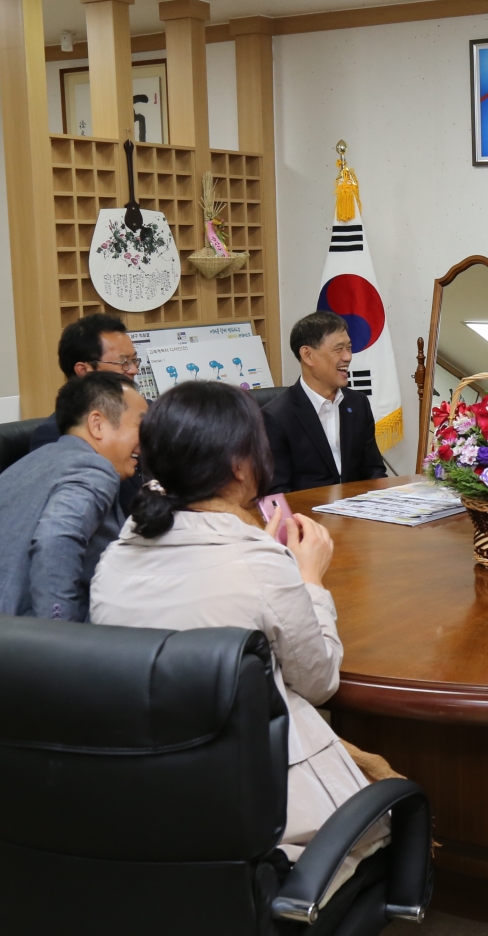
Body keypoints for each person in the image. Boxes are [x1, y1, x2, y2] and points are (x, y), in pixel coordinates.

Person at [89, 381, 400, 891]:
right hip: (255, 808)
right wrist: (308, 579)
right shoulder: (259, 564)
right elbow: (319, 682)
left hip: (142, 795)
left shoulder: (115, 558)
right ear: (240, 465)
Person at [0, 372, 145, 622]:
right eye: (141, 426)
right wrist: (56, 634)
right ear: (97, 424)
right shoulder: (93, 468)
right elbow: (56, 539)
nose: (146, 441)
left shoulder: (19, 469)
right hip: (26, 642)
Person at [264, 311, 388, 492]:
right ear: (308, 355)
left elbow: (373, 469)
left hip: (358, 513)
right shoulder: (276, 417)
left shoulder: (358, 403)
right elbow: (277, 491)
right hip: (308, 516)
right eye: (338, 349)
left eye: (349, 348)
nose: (348, 357)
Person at [29, 313, 144, 509]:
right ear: (84, 370)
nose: (133, 370)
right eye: (123, 362)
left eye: (134, 361)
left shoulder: (143, 411)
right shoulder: (55, 437)